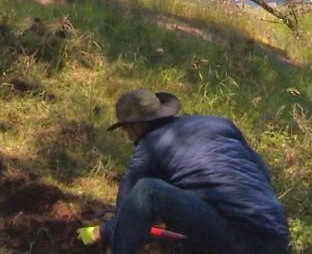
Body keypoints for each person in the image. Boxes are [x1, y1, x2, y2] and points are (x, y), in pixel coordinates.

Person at [77, 89, 290, 253]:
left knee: (148, 190)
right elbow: (262, 171)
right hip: (276, 234)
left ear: (135, 126)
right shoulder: (219, 124)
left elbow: (126, 216)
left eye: (126, 131)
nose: (128, 137)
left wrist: (99, 232)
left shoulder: (148, 148)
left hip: (238, 238)